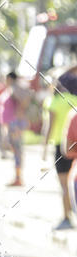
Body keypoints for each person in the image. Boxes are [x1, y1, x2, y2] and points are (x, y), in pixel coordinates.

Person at [42, 76, 77, 229]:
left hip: (60, 146)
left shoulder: (52, 102)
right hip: (74, 147)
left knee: (64, 185)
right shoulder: (73, 99)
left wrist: (44, 147)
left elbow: (49, 126)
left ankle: (66, 217)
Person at [0, 71, 30, 186]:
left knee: (17, 150)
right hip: (11, 124)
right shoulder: (11, 88)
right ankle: (17, 176)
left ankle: (18, 178)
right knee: (15, 150)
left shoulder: (15, 89)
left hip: (14, 125)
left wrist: (18, 121)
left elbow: (24, 103)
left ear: (10, 78)